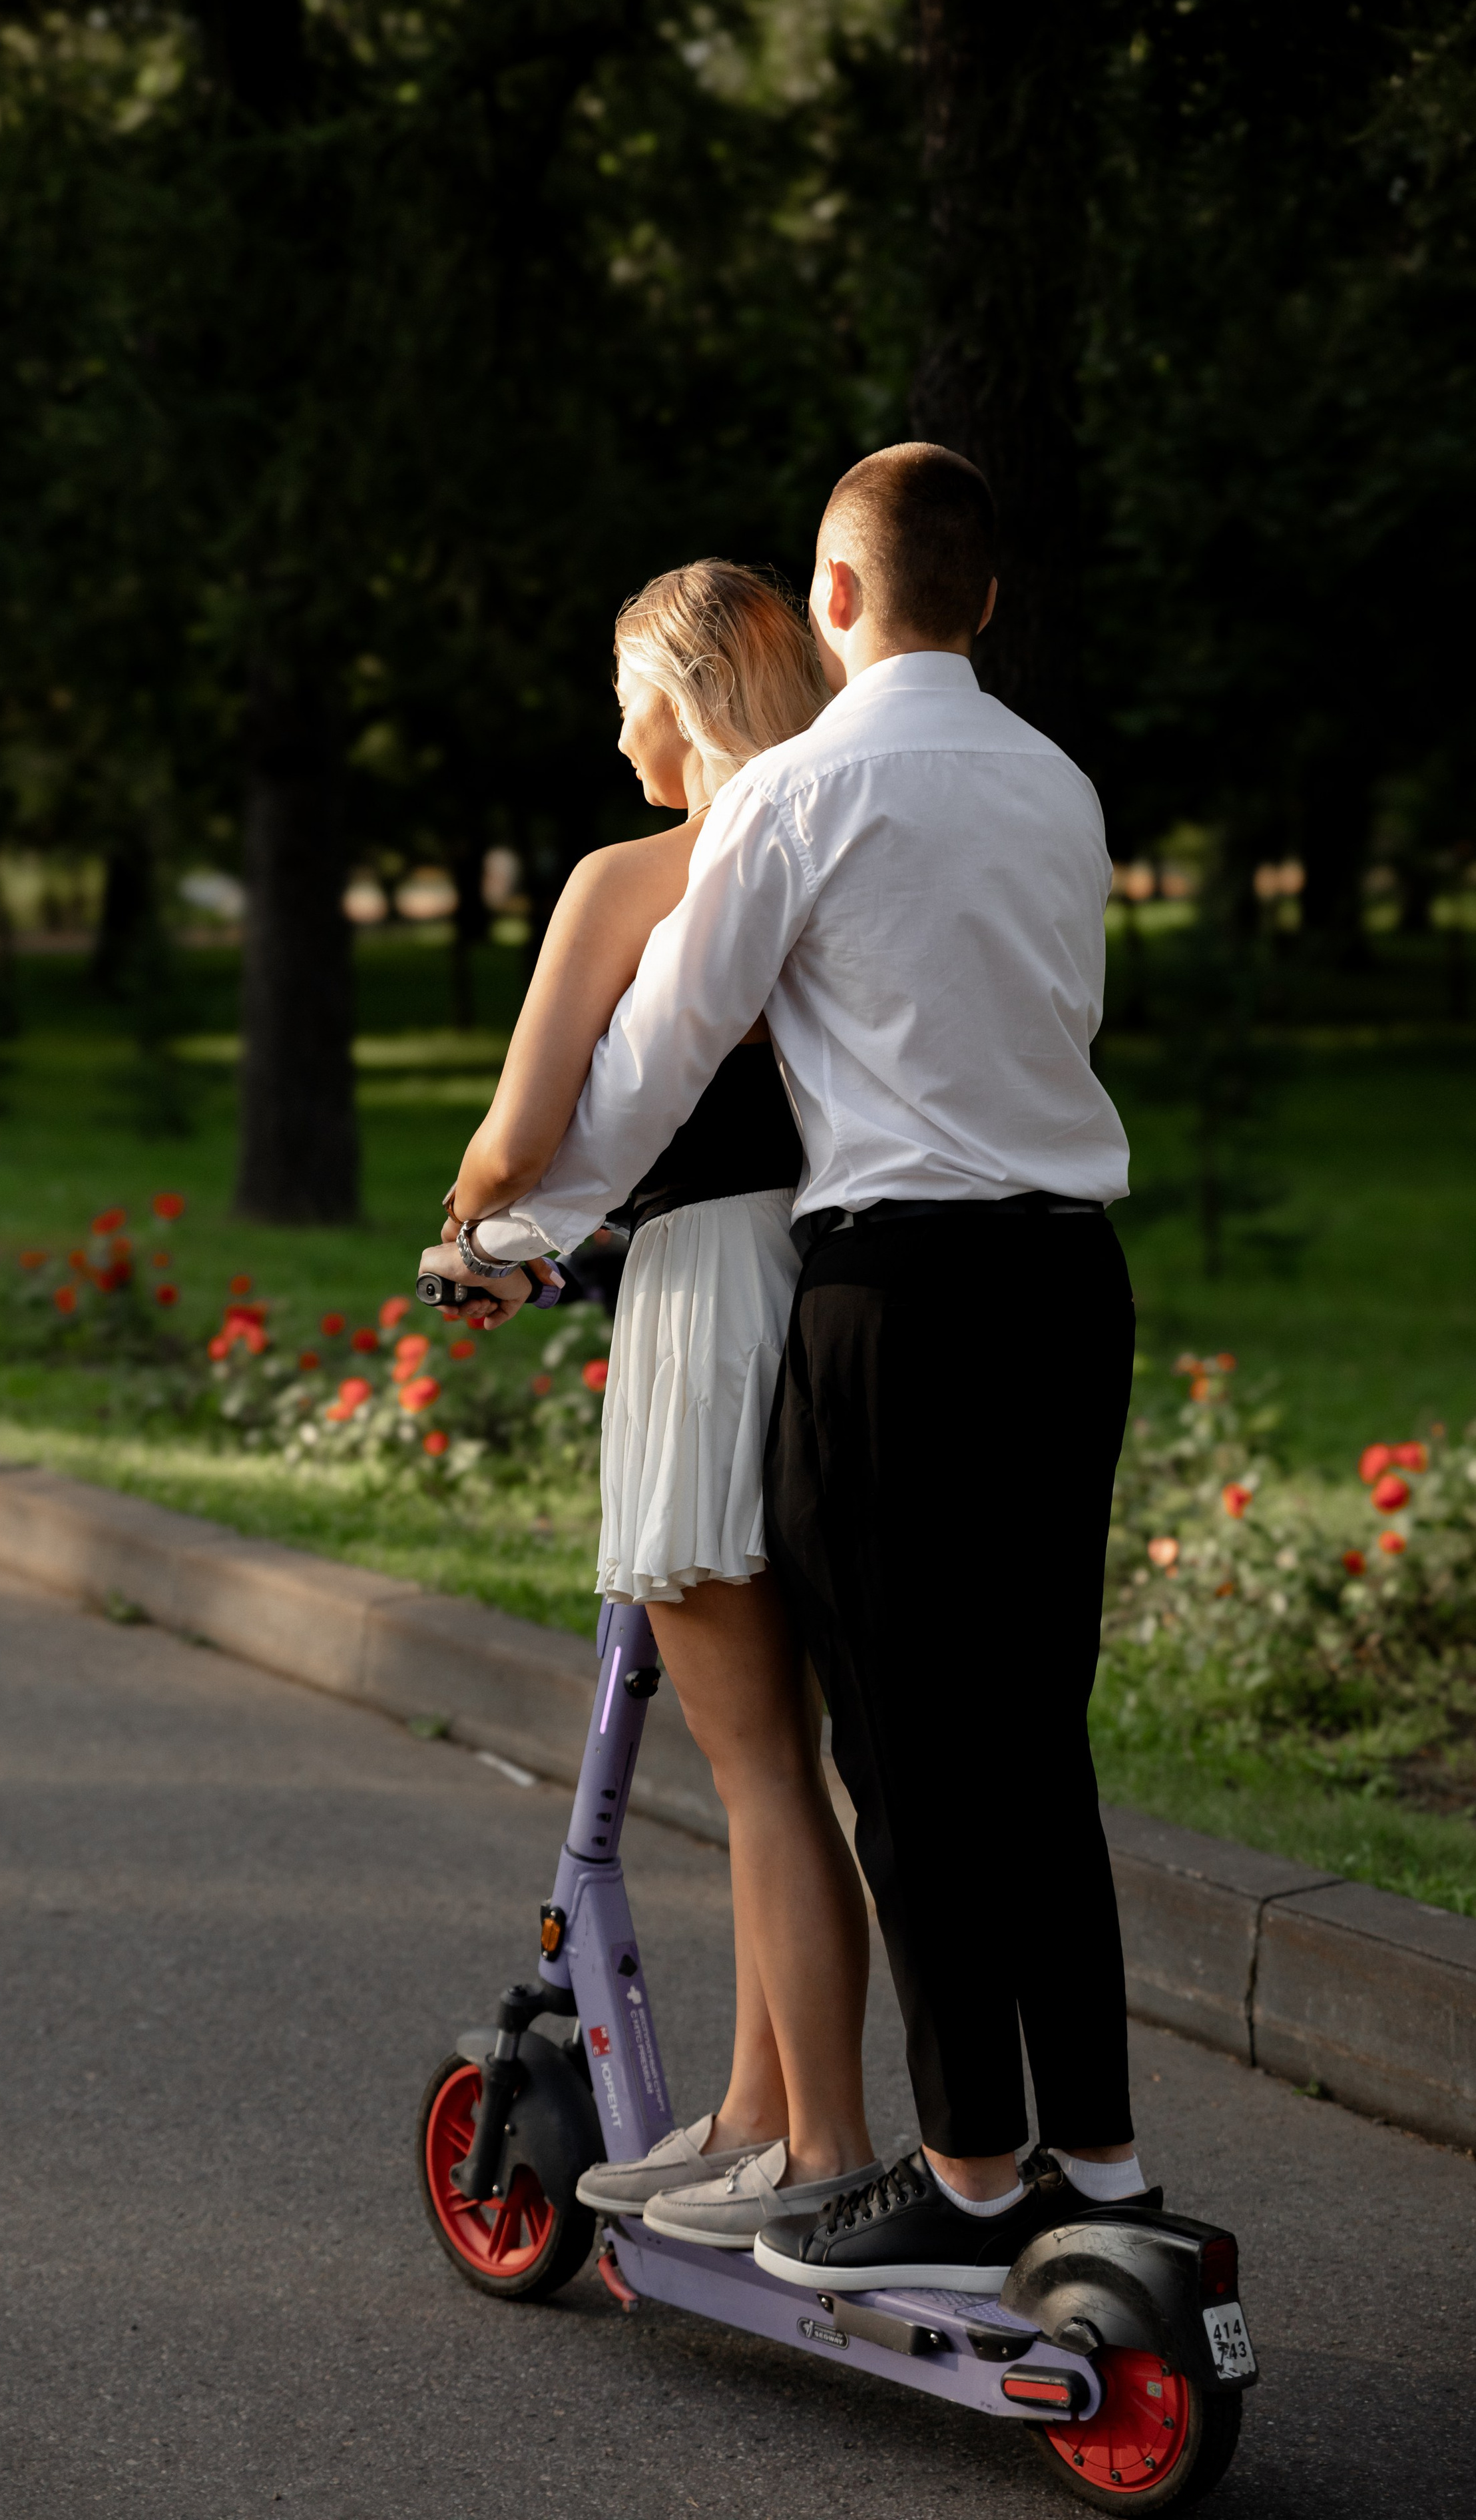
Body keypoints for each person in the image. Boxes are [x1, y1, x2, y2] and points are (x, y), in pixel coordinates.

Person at [439, 445, 1151, 2292]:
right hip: (1072, 1283)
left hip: (894, 1296)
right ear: (983, 598)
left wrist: (513, 1240)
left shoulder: (804, 794)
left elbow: (653, 1069)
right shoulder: (1060, 788)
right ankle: (1107, 2158)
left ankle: (973, 2177)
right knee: (1035, 1738)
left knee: (907, 1759)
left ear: (836, 598)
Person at [422, 561, 879, 2248]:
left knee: (755, 1762)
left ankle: (817, 2139)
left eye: (622, 691)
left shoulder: (636, 874)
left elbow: (527, 1122)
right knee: (804, 1758)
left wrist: (464, 1238)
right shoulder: (839, 843)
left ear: (677, 696)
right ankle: (758, 2115)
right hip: (839, 1276)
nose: (613, 733)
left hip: (704, 1288)